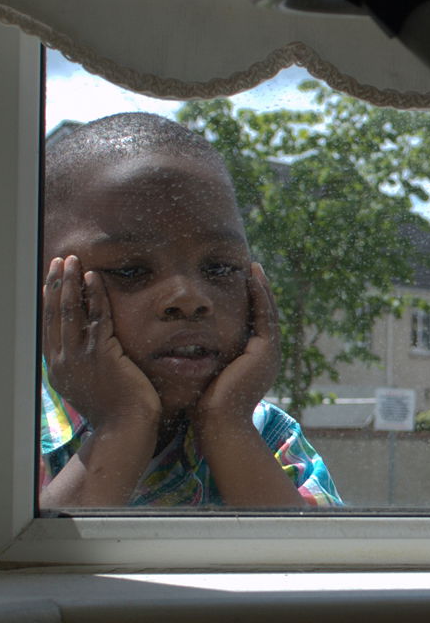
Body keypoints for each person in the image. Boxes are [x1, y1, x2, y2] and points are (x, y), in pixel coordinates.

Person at [38, 113, 341, 508]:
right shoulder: (3, 430)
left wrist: (227, 426)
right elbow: (14, 548)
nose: (188, 297)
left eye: (220, 268)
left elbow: (313, 550)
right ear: (44, 290)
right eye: (130, 271)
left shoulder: (268, 434)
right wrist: (124, 423)